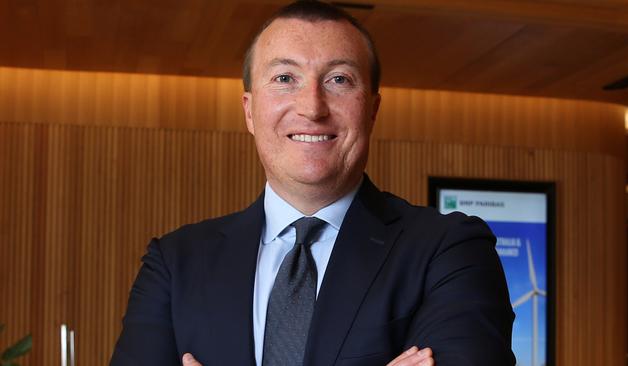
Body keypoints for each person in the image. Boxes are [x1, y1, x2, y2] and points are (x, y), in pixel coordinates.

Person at [110, 1, 515, 366]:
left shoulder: (450, 250)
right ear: (249, 112)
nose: (311, 107)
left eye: (339, 80)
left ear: (372, 109)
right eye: (285, 77)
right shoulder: (175, 264)